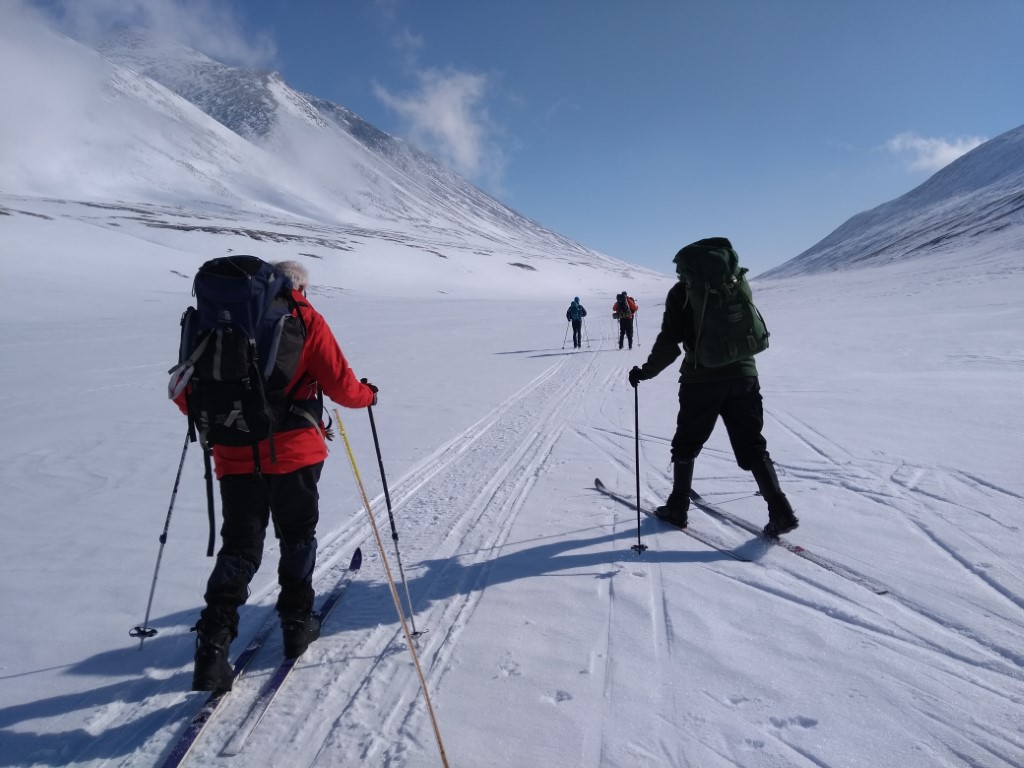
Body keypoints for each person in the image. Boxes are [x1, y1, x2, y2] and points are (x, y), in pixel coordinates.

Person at [173, 260, 378, 692]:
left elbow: (187, 393)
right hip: (294, 454)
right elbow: (342, 386)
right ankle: (297, 623)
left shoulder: (213, 321)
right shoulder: (304, 317)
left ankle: (212, 645)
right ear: (298, 285)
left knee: (240, 546)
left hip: (232, 454)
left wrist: (231, 422)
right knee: (297, 535)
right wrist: (369, 394)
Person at [627, 239, 799, 537]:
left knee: (686, 445)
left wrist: (645, 372)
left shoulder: (682, 293)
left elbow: (669, 343)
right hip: (745, 376)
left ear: (686, 267)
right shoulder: (734, 285)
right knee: (753, 445)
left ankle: (678, 507)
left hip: (701, 381)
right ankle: (780, 510)